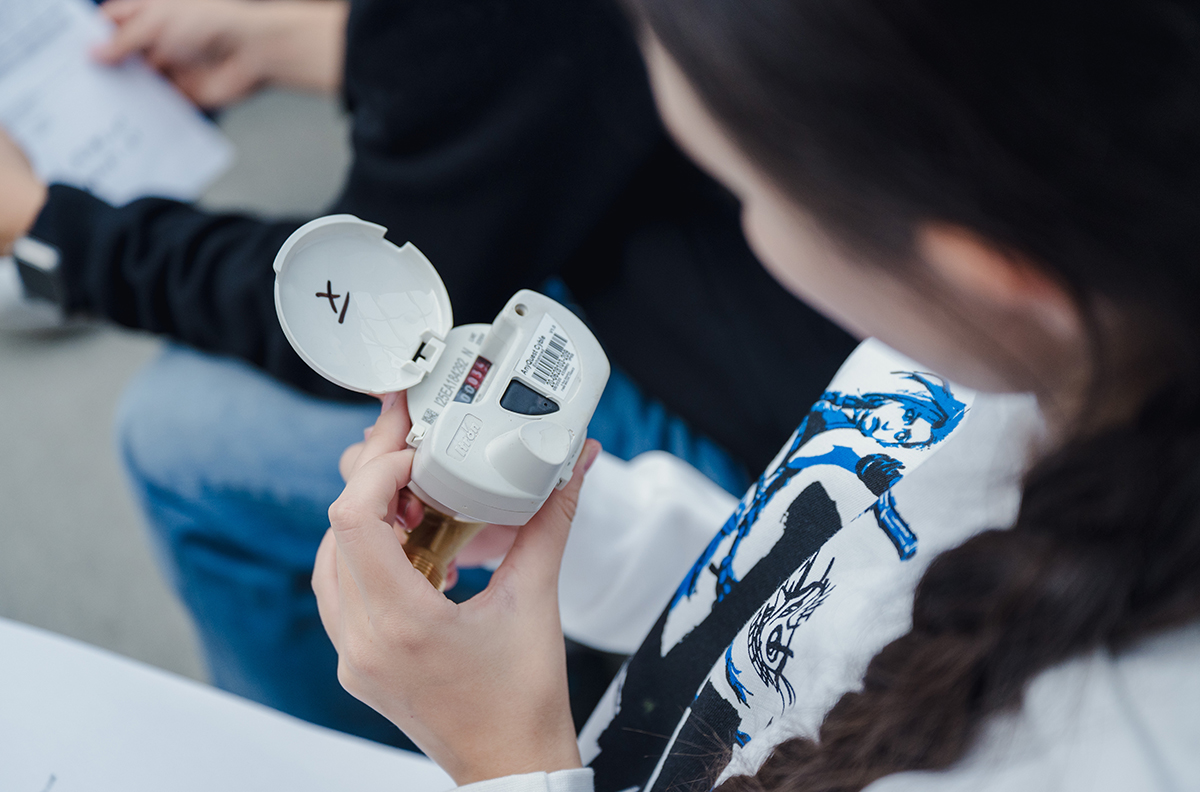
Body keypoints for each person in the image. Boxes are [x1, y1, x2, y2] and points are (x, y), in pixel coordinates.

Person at [313, 2, 1200, 792]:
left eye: (743, 193)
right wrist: (589, 542)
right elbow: (832, 598)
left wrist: (503, 763)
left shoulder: (1114, 761)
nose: (746, 222)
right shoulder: (1003, 346)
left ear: (981, 271)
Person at [0, 0, 858, 747]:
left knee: (175, 431)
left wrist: (51, 228)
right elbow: (547, 57)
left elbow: (373, 290)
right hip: (707, 309)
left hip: (777, 430)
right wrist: (315, 41)